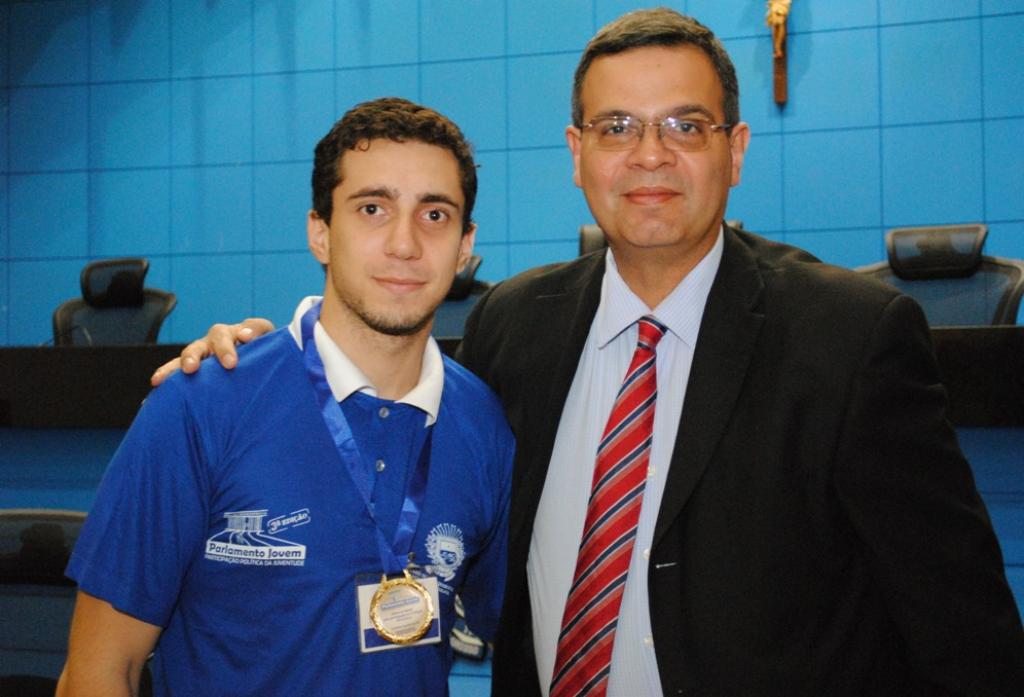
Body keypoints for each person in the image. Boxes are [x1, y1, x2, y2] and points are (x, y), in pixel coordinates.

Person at [153, 9, 1024, 697]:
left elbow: (966, 636)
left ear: (735, 150)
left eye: (686, 125)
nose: (649, 155)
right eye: (616, 127)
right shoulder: (511, 324)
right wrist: (258, 357)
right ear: (577, 154)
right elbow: (389, 412)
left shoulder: (853, 337)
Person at [57, 98, 514, 697]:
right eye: (372, 209)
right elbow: (98, 672)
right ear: (320, 233)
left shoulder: (484, 424)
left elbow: (518, 629)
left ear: (464, 245)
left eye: (434, 214)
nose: (404, 243)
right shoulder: (202, 405)